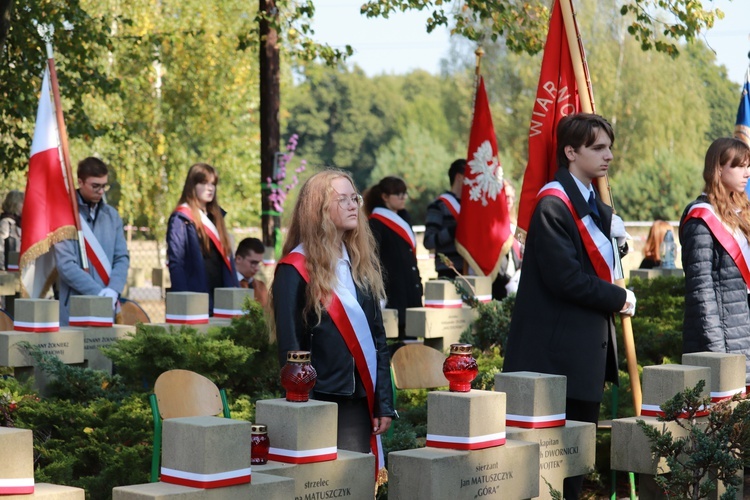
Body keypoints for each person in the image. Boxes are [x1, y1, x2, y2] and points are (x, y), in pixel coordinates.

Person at [502, 113, 635, 500]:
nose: (608, 155)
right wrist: (620, 297)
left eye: (609, 146)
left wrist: (619, 244)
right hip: (555, 360)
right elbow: (567, 280)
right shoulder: (554, 204)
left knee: (574, 470)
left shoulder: (594, 202)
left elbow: (598, 263)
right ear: (571, 151)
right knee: (550, 476)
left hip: (582, 357)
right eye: (598, 147)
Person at [271, 169, 395, 482]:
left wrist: (383, 402)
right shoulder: (294, 269)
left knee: (355, 484)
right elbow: (290, 347)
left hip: (357, 400)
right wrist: (303, 405)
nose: (354, 205)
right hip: (318, 399)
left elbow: (377, 341)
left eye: (355, 198)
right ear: (319, 210)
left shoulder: (359, 265)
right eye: (343, 200)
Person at [680, 137, 750, 384]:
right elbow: (701, 290)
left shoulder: (740, 213)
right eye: (739, 166)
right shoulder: (701, 218)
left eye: (748, 166)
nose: (747, 173)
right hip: (720, 341)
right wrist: (718, 351)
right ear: (719, 168)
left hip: (742, 335)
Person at [54, 157, 130, 326]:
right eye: (95, 186)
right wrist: (99, 294)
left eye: (104, 186)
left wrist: (113, 290)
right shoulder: (65, 215)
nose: (101, 191)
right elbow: (65, 264)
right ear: (80, 182)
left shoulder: (112, 216)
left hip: (109, 302)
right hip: (75, 305)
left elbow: (122, 258)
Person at [167, 163, 239, 314]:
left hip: (221, 294)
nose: (210, 188)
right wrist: (182, 300)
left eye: (213, 184)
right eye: (204, 183)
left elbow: (227, 258)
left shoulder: (217, 216)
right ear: (192, 185)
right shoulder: (181, 218)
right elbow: (176, 263)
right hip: (196, 297)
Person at [364, 176, 423, 340]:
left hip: (411, 291)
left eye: (405, 193)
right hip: (393, 293)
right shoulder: (375, 223)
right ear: (385, 197)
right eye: (398, 193)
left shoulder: (405, 218)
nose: (403, 197)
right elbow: (372, 260)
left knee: (413, 343)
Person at [424, 159, 465, 277]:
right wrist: (453, 231)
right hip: (449, 271)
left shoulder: (471, 207)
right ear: (459, 177)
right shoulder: (439, 206)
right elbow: (428, 241)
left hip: (472, 269)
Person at [492, 180, 523, 300]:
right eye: (506, 196)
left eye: (512, 197)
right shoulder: (492, 226)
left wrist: (519, 274)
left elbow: (525, 249)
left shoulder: (518, 225)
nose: (509, 200)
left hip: (518, 284)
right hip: (498, 288)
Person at [235, 237, 268, 308]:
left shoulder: (261, 287)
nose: (257, 268)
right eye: (253, 263)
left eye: (258, 263)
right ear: (238, 259)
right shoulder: (226, 283)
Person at [0, 190, 23, 271]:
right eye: (22, 202)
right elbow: (0, 246)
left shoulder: (20, 222)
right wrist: (2, 268)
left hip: (18, 266)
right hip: (9, 268)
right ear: (14, 204)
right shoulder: (6, 222)